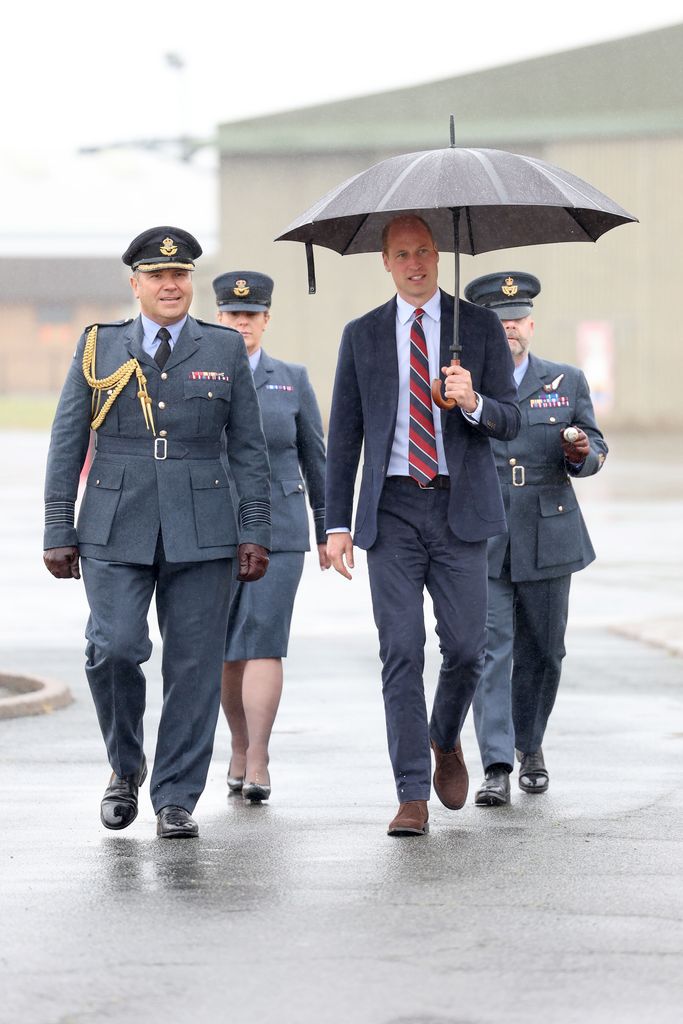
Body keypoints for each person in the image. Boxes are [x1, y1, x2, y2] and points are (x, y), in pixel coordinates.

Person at [43, 226, 272, 840]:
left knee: (195, 665)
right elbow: (68, 440)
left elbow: (249, 448)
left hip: (205, 526)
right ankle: (125, 768)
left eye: (181, 275)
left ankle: (176, 796)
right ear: (136, 283)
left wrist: (255, 531)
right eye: (157, 276)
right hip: (115, 523)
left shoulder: (222, 348)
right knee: (114, 647)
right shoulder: (100, 345)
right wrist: (56, 526)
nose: (171, 285)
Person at [325, 214, 521, 836]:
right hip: (392, 511)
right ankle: (411, 792)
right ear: (385, 262)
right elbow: (343, 438)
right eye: (402, 253)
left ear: (439, 256)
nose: (415, 263)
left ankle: (445, 738)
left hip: (459, 508)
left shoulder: (480, 327)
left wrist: (473, 402)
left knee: (466, 648)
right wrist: (335, 525)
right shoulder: (363, 335)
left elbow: (511, 420)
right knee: (401, 650)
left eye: (425, 252)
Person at [463, 271, 608, 805]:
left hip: (549, 530)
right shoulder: (461, 385)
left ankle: (531, 745)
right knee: (490, 649)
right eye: (499, 322)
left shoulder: (564, 380)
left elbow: (594, 448)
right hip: (486, 531)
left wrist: (578, 452)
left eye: (518, 320)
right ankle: (497, 765)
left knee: (545, 651)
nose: (510, 330)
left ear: (531, 323)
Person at [212, 270, 329, 802]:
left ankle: (258, 756)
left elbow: (315, 457)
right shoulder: (200, 375)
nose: (243, 322)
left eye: (252, 314)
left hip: (280, 528)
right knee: (223, 648)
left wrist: (330, 527)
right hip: (212, 527)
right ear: (219, 318)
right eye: (233, 314)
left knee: (263, 640)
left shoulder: (292, 377)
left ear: (266, 319)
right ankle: (237, 744)